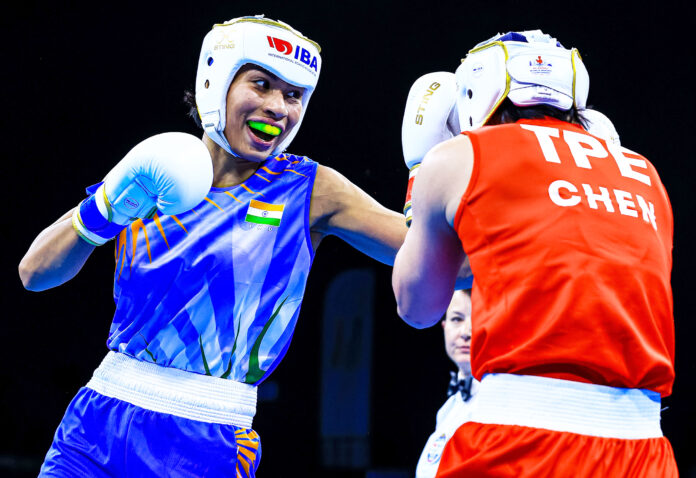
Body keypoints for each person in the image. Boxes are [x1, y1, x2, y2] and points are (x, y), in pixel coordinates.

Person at [19, 15, 406, 477]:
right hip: (99, 417)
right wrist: (105, 206)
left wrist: (438, 175)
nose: (278, 107)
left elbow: (431, 255)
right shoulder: (155, 169)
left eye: (293, 95)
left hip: (208, 435)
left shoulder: (310, 189)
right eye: (261, 84)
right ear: (215, 82)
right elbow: (34, 274)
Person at [393, 30, 677, 477]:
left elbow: (419, 308)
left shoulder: (461, 155)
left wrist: (418, 180)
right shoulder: (644, 173)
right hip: (645, 447)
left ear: (473, 91)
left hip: (520, 438)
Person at [415, 289, 478, 478]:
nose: (466, 332)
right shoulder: (447, 410)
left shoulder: (501, 401)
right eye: (457, 319)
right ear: (444, 326)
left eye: (477, 318)